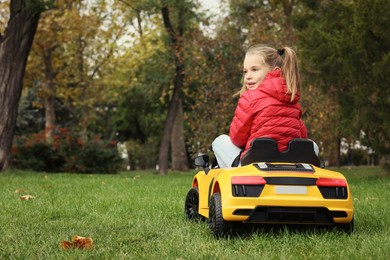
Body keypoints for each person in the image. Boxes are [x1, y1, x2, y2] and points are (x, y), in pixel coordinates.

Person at [212, 44, 318, 168]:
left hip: (254, 165)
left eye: (254, 69)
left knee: (219, 141)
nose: (248, 76)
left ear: (275, 71)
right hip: (291, 165)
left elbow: (237, 139)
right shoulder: (292, 100)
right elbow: (302, 137)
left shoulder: (250, 98)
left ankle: (231, 179)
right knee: (312, 145)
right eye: (245, 71)